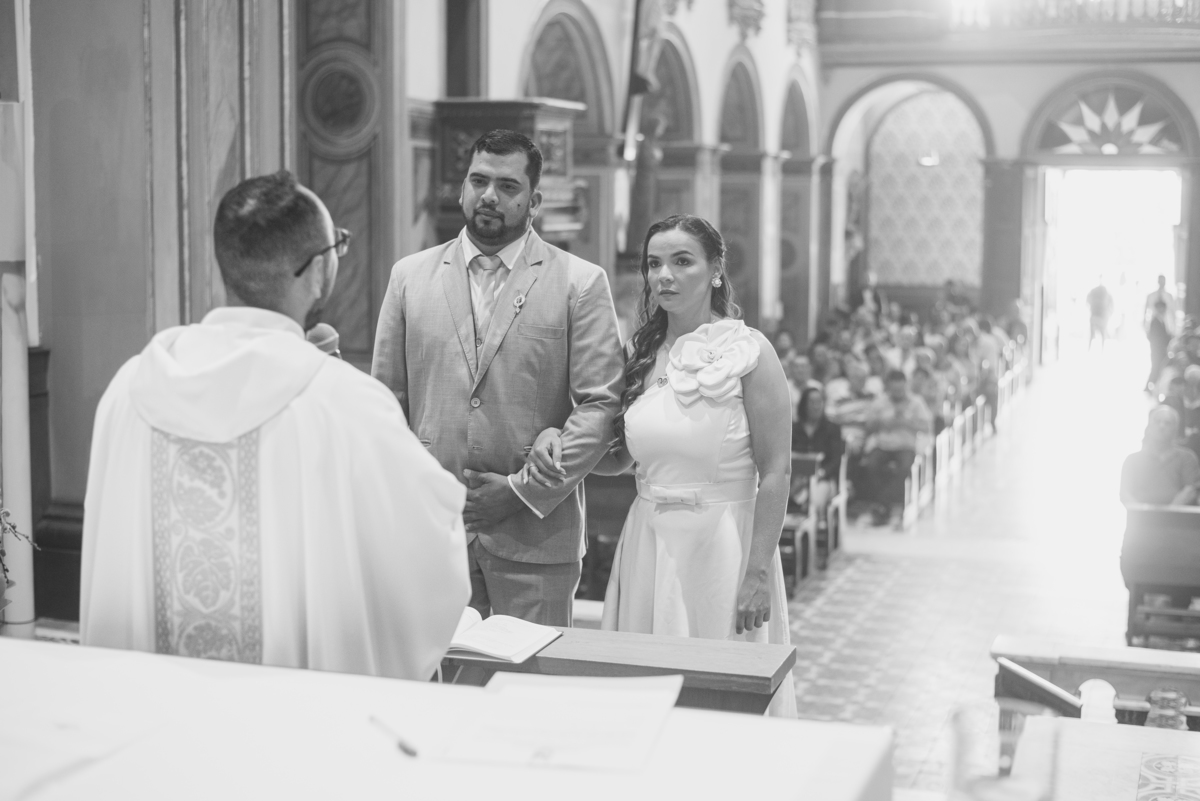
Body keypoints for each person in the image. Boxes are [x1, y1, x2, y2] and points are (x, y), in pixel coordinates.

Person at [80, 171, 469, 680]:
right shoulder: (347, 407)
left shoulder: (129, 390)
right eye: (337, 247)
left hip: (154, 716)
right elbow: (425, 554)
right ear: (317, 271)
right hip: (288, 730)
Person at [526, 214, 797, 718]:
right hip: (649, 541)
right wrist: (554, 437)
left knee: (722, 696)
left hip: (724, 544)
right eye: (654, 264)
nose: (664, 275)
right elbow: (618, 459)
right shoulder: (640, 353)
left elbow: (777, 469)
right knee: (644, 695)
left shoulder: (751, 352)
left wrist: (758, 569)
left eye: (681, 261)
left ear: (715, 270)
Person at [372, 130, 624, 627]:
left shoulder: (580, 281)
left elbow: (601, 405)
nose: (489, 195)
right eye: (478, 180)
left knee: (529, 696)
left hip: (535, 537)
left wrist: (521, 490)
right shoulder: (409, 276)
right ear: (463, 188)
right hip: (433, 531)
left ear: (534, 201)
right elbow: (386, 401)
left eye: (507, 186)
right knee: (436, 695)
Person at [861, 370, 933, 527]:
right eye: (894, 390)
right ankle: (883, 505)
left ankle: (882, 505)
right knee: (871, 465)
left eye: (900, 390)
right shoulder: (879, 402)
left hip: (905, 446)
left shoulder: (916, 402)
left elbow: (927, 426)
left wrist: (906, 422)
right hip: (883, 445)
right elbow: (868, 426)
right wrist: (882, 423)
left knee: (904, 468)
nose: (897, 393)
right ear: (888, 387)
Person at [1120, 405, 1200, 507]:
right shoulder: (1132, 460)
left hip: (1178, 519)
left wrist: (1168, 513)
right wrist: (1143, 513)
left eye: (1168, 423)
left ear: (1175, 428)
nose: (1162, 426)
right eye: (1157, 421)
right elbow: (1125, 493)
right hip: (1141, 520)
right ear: (1149, 427)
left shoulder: (1187, 458)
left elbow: (1190, 489)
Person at [792, 386, 845, 524]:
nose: (816, 406)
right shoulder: (794, 429)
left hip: (823, 479)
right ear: (804, 405)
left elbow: (836, 460)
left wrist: (820, 473)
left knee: (814, 498)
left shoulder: (832, 429)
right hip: (795, 479)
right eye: (812, 402)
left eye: (819, 402)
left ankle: (810, 531)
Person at [1148, 299, 1173, 393]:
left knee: (1158, 366)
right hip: (1156, 348)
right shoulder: (1155, 321)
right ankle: (1150, 384)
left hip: (1161, 348)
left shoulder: (1162, 320)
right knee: (1156, 365)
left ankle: (1152, 384)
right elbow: (1153, 336)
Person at [1086, 280, 1114, 351]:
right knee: (1101, 335)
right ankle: (1098, 351)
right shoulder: (1103, 292)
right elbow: (1112, 304)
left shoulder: (1097, 291)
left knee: (1097, 335)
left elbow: (1087, 300)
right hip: (1099, 315)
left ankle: (1093, 350)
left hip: (1098, 315)